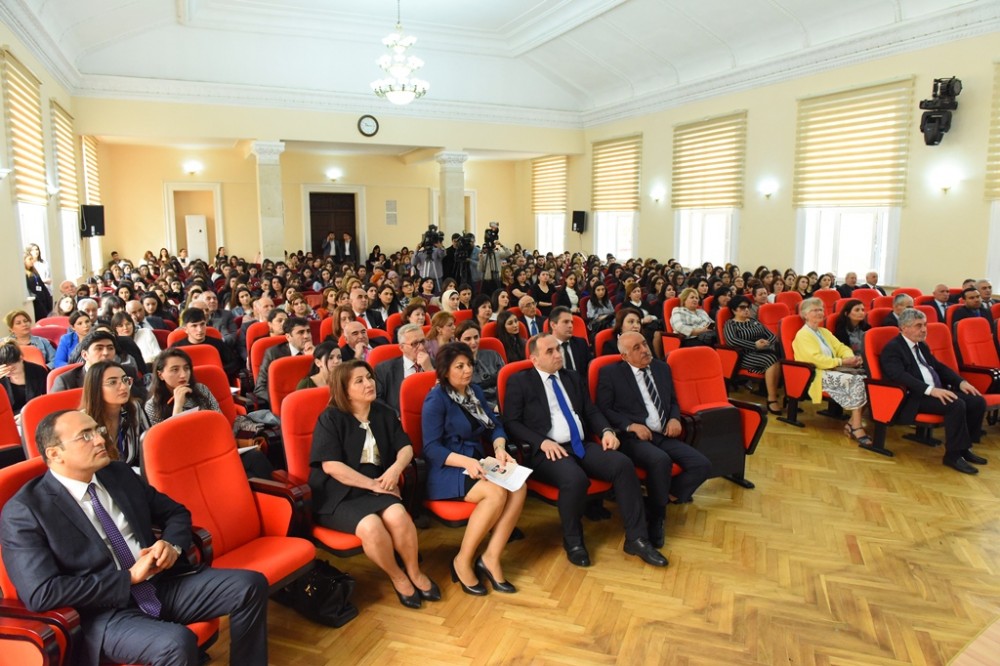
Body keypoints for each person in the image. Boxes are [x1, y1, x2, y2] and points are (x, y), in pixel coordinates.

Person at [0, 409, 269, 666]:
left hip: (160, 584)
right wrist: (128, 578)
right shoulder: (25, 511)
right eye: (85, 435)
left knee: (250, 585)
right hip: (103, 612)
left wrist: (171, 545)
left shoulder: (118, 473)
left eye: (98, 430)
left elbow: (176, 513)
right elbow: (42, 593)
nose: (99, 439)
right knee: (176, 643)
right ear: (55, 453)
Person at [503, 333, 667, 568]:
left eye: (557, 349)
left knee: (622, 464)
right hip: (546, 452)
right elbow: (511, 422)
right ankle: (574, 541)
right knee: (575, 479)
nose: (557, 354)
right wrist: (541, 442)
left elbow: (590, 411)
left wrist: (606, 431)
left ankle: (637, 538)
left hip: (581, 444)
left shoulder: (571, 377)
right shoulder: (520, 381)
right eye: (549, 351)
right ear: (535, 359)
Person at [309, 360, 439, 609]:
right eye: (360, 381)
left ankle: (413, 571)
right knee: (371, 526)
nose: (369, 383)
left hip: (377, 483)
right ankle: (398, 577)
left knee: (399, 516)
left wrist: (394, 470)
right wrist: (372, 484)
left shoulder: (383, 412)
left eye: (369, 377)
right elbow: (331, 467)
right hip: (338, 494)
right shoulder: (330, 418)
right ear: (344, 390)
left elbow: (406, 447)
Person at [422, 342, 525, 594]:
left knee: (519, 487)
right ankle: (462, 560)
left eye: (469, 364)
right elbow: (431, 449)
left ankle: (490, 557)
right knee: (496, 493)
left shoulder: (474, 391)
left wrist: (500, 447)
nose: (467, 370)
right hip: (448, 469)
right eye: (460, 366)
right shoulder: (436, 399)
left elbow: (494, 425)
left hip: (477, 463)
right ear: (445, 371)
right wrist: (466, 461)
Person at [595, 331, 712, 547]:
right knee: (660, 461)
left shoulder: (661, 367)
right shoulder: (610, 373)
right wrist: (630, 425)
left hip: (663, 433)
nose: (645, 350)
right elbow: (604, 409)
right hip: (632, 438)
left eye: (644, 344)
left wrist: (675, 418)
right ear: (624, 356)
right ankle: (657, 518)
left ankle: (659, 502)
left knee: (702, 465)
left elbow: (672, 400)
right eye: (636, 348)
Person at [879, 309, 987, 474]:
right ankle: (952, 456)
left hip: (933, 392)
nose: (924, 329)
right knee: (956, 404)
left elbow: (938, 367)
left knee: (977, 401)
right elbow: (899, 376)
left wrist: (961, 382)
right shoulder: (893, 348)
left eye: (925, 325)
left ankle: (965, 449)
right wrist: (931, 390)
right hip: (912, 397)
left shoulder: (921, 345)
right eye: (918, 326)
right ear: (904, 328)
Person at [145, 349, 274, 479]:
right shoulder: (152, 406)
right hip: (184, 462)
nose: (183, 374)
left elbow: (219, 422)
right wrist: (178, 406)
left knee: (255, 459)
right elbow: (167, 445)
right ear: (160, 374)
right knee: (241, 476)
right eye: (175, 370)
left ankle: (278, 495)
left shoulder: (201, 390)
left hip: (213, 448)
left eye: (186, 368)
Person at [792, 298, 871, 446]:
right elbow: (815, 360)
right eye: (814, 310)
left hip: (833, 369)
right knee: (857, 382)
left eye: (821, 309)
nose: (819, 312)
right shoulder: (803, 334)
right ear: (805, 314)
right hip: (816, 374)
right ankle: (857, 427)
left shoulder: (824, 331)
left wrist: (851, 358)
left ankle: (852, 423)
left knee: (868, 380)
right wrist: (842, 362)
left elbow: (841, 347)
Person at [79, 360, 149, 467]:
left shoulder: (134, 408)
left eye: (125, 380)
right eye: (112, 382)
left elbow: (150, 444)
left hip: (131, 473)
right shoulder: (82, 422)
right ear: (96, 388)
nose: (124, 387)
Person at [723, 296, 782, 413]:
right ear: (734, 310)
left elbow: (771, 335)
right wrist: (754, 345)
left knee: (777, 357)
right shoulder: (730, 324)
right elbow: (732, 341)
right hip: (742, 356)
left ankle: (770, 392)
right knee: (771, 359)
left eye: (748, 307)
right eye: (742, 307)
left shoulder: (754, 321)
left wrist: (766, 343)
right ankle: (772, 399)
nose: (746, 310)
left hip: (762, 351)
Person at [52, 330, 145, 400]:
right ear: (85, 355)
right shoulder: (66, 381)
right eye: (99, 348)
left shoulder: (127, 372)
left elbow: (143, 400)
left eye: (110, 348)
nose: (106, 353)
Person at [254, 316, 315, 407]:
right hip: (284, 405)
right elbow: (260, 388)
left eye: (308, 331)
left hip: (311, 401)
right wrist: (281, 403)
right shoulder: (273, 353)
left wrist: (313, 359)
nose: (307, 336)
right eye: (301, 332)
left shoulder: (318, 352)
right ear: (288, 337)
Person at [375, 323, 433, 415]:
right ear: (401, 347)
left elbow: (448, 394)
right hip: (400, 420)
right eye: (414, 344)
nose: (421, 347)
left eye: (422, 341)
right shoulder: (384, 369)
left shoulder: (437, 364)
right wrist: (395, 416)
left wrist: (429, 370)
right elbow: (377, 400)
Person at [171, 307, 242, 381]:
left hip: (215, 380)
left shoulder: (217, 343)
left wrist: (217, 371)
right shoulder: (176, 348)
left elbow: (234, 363)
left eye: (202, 324)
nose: (200, 330)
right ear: (185, 329)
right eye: (194, 326)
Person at [456, 321, 504, 409]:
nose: (473, 342)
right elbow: (466, 395)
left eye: (476, 337)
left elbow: (506, 381)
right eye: (467, 339)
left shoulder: (493, 355)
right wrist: (493, 407)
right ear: (457, 340)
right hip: (479, 408)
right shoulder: (456, 366)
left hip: (504, 401)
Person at [0, 341, 47, 416]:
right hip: (8, 417)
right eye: (4, 368)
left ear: (21, 358)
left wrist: (25, 414)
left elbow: (47, 399)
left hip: (33, 413)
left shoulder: (38, 371)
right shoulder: (1, 378)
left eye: (12, 367)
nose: (8, 371)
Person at [548, 306, 590, 381]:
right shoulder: (545, 348)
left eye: (571, 322)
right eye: (566, 322)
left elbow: (589, 372)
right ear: (553, 325)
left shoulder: (581, 343)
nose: (570, 326)